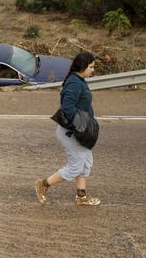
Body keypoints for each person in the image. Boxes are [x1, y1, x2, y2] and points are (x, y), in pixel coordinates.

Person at [35, 51, 101, 206]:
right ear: (83, 66)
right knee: (75, 167)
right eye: (91, 67)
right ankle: (43, 184)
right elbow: (67, 108)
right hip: (72, 132)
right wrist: (79, 128)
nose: (93, 70)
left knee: (85, 163)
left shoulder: (79, 80)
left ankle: (81, 196)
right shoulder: (74, 83)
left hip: (77, 131)